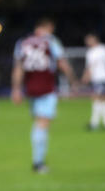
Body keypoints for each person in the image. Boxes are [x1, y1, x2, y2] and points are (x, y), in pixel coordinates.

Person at [11, 18, 76, 174]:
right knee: (42, 124)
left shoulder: (23, 42)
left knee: (39, 122)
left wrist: (16, 89)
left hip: (31, 88)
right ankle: (38, 162)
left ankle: (38, 161)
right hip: (47, 88)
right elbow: (62, 63)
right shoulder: (51, 41)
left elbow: (18, 67)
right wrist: (73, 81)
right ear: (47, 28)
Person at [81, 33, 105, 130]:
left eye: (88, 40)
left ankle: (97, 123)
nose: (87, 42)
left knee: (97, 98)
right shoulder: (90, 52)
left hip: (103, 77)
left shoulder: (104, 49)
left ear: (94, 39)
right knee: (101, 99)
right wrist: (86, 76)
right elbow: (89, 67)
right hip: (95, 78)